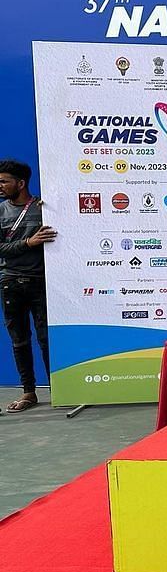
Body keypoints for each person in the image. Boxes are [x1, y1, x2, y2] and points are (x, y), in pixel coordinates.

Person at [0, 160, 56, 413]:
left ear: (20, 183)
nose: (0, 186)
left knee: (47, 340)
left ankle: (60, 389)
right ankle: (28, 392)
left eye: (4, 181)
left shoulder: (45, 209)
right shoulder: (0, 212)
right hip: (10, 283)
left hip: (42, 283)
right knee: (19, 341)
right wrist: (29, 243)